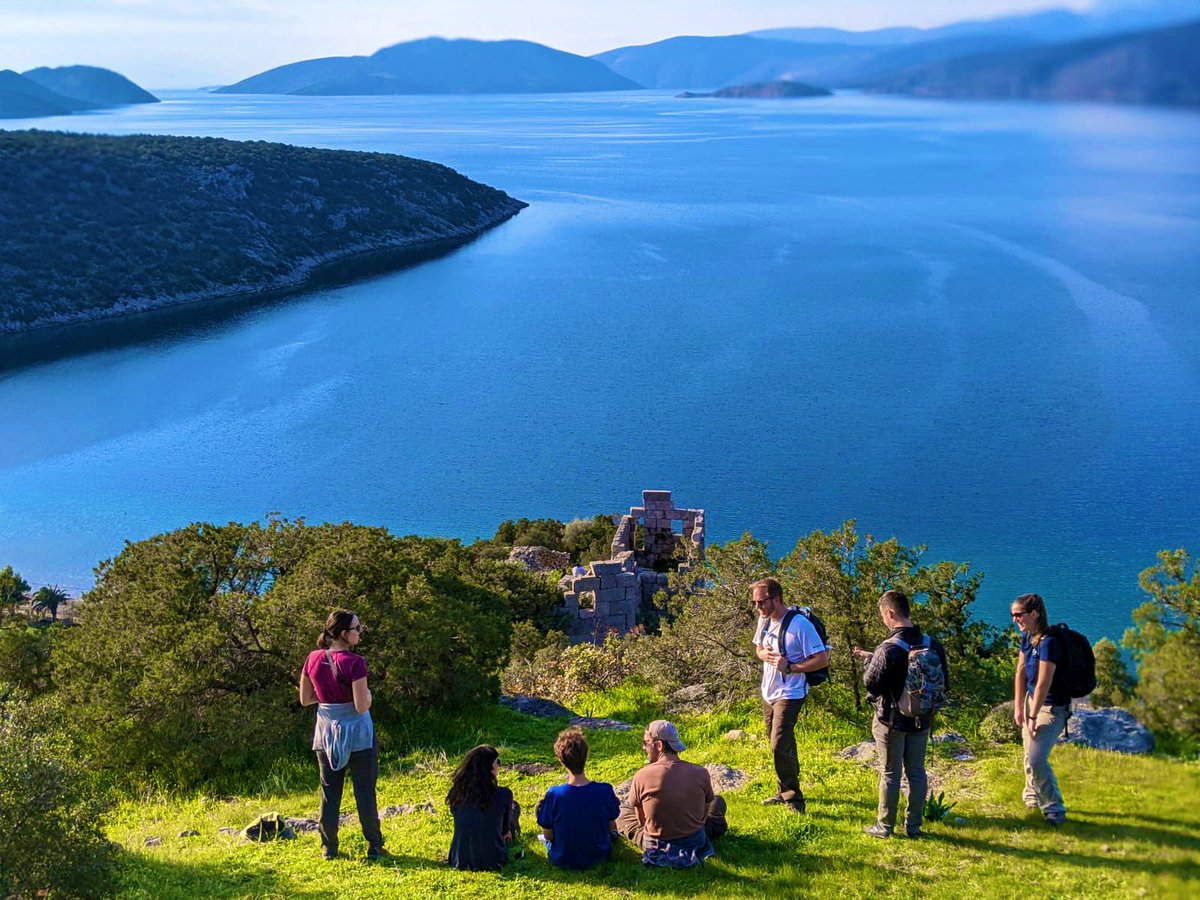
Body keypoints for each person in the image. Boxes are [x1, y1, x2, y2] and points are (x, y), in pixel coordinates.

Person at [853, 589, 949, 839]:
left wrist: (867, 662)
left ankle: (885, 826)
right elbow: (944, 682)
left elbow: (871, 684)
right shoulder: (930, 643)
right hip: (922, 719)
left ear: (890, 613)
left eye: (883, 616)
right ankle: (913, 827)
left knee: (890, 773)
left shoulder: (888, 648)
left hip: (892, 722)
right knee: (916, 772)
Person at [299, 609, 385, 861]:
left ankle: (329, 847)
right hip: (358, 734)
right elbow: (361, 706)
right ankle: (374, 845)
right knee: (365, 790)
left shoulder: (313, 658)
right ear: (343, 634)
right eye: (356, 629)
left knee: (329, 791)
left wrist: (328, 700)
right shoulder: (355, 663)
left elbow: (305, 699)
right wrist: (369, 697)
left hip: (325, 732)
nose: (360, 632)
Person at [751, 577, 830, 813]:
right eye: (754, 603)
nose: (758, 608)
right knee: (779, 742)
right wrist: (763, 655)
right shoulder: (763, 621)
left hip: (791, 691)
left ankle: (794, 799)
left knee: (779, 743)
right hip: (769, 691)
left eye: (762, 602)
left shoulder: (800, 626)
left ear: (777, 598)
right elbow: (758, 648)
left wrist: (791, 667)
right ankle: (784, 788)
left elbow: (822, 659)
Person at [616, 720, 727, 868]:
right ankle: (709, 832)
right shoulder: (701, 773)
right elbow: (703, 816)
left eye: (646, 742)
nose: (644, 747)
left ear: (659, 745)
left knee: (622, 811)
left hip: (657, 845)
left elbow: (642, 822)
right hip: (694, 841)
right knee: (717, 802)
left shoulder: (642, 776)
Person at [1012, 592, 1068, 825]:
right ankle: (1032, 797)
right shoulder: (1028, 637)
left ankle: (1054, 809)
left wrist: (1033, 715)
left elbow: (1044, 681)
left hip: (1052, 708)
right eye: (1012, 615)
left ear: (1035, 614)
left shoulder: (1049, 643)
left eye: (1019, 615)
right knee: (1028, 754)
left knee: (1036, 758)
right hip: (1031, 701)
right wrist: (1018, 706)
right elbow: (1021, 672)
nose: (1015, 620)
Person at [536, 727, 620, 869]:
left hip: (563, 858)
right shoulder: (605, 790)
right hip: (600, 854)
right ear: (586, 756)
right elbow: (611, 826)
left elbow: (549, 835)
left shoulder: (555, 794)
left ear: (561, 761)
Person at [447, 744, 522, 870]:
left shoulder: (458, 793)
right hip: (494, 861)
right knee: (514, 810)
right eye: (497, 762)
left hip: (458, 859)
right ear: (488, 768)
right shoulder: (504, 794)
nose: (499, 765)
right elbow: (504, 831)